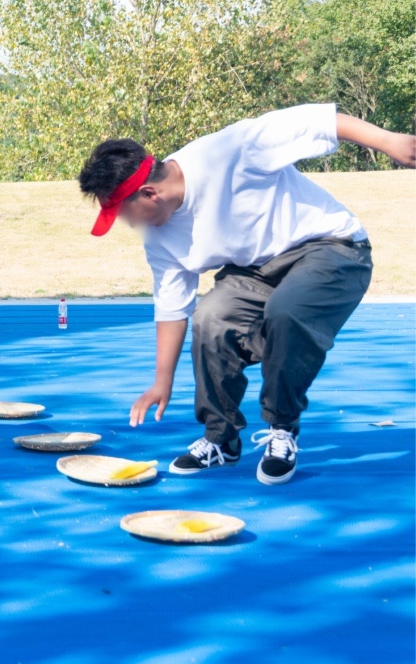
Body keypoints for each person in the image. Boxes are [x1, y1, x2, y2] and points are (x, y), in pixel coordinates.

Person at [79, 104, 415, 485]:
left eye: (125, 215)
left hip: (333, 248)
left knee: (285, 311)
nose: (128, 224)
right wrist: (162, 380)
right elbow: (172, 307)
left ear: (149, 193)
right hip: (258, 271)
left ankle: (282, 428)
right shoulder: (159, 238)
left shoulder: (231, 151)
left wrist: (390, 141)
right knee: (211, 317)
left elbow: (320, 122)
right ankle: (221, 439)